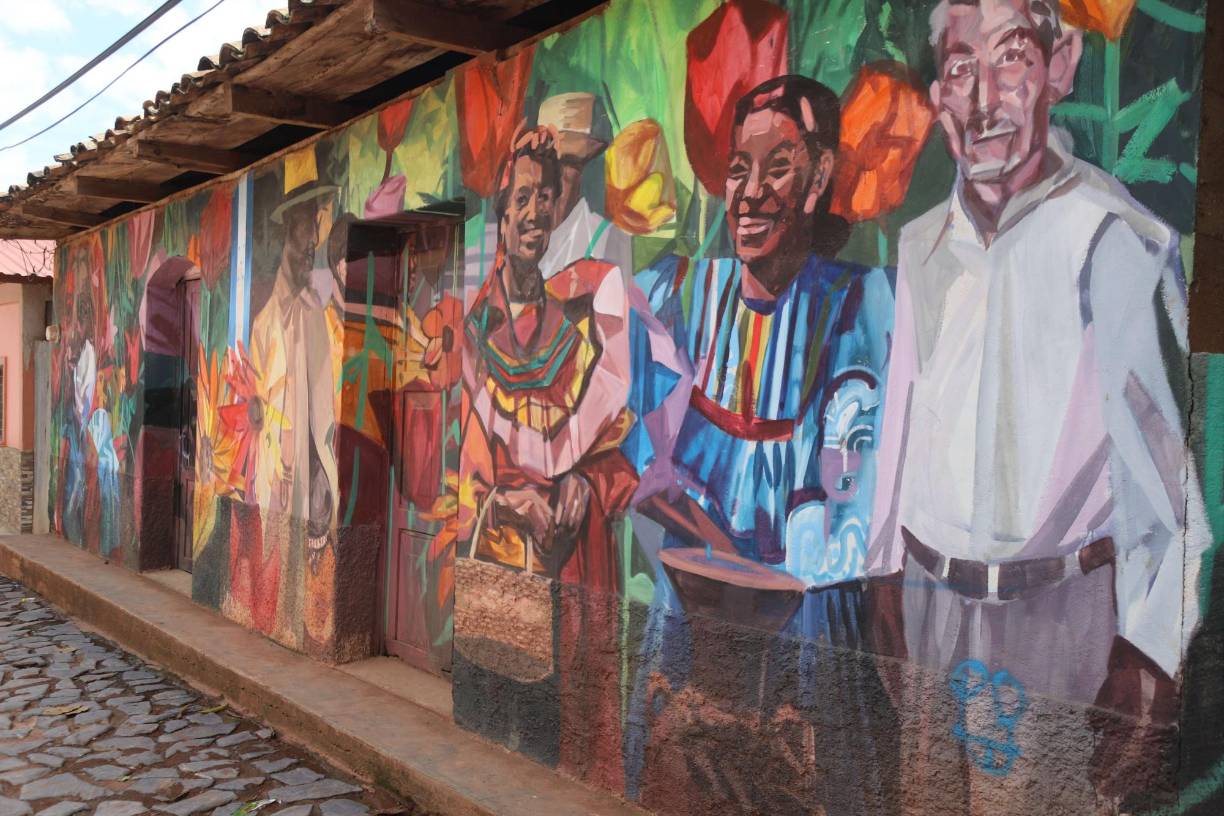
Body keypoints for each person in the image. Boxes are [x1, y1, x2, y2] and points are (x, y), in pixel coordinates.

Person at [864, 0, 1207, 808]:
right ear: (938, 99)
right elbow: (901, 424)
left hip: (1060, 618)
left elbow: (1161, 471)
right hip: (928, 607)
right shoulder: (921, 247)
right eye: (958, 69)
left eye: (1011, 56)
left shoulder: (1117, 237)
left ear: (1060, 65)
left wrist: (1151, 650)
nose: (984, 98)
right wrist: (883, 572)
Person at [628, 75, 895, 815]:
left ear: (820, 180)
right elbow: (641, 465)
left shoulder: (858, 307)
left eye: (777, 166)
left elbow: (851, 494)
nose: (748, 191)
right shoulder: (676, 298)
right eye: (738, 170)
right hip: (689, 621)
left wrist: (749, 563)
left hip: (809, 635)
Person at [457, 125, 648, 787]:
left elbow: (622, 442)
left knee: (587, 722)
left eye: (548, 196)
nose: (537, 210)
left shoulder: (585, 299)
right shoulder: (477, 327)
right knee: (517, 731)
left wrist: (586, 480)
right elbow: (475, 459)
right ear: (502, 217)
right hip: (513, 561)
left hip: (579, 552)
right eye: (523, 199)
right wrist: (505, 498)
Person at [236, 146, 343, 647]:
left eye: (318, 226)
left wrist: (322, 483)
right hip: (273, 491)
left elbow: (325, 415)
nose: (313, 240)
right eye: (305, 226)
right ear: (287, 230)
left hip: (307, 493)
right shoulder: (263, 326)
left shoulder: (317, 313)